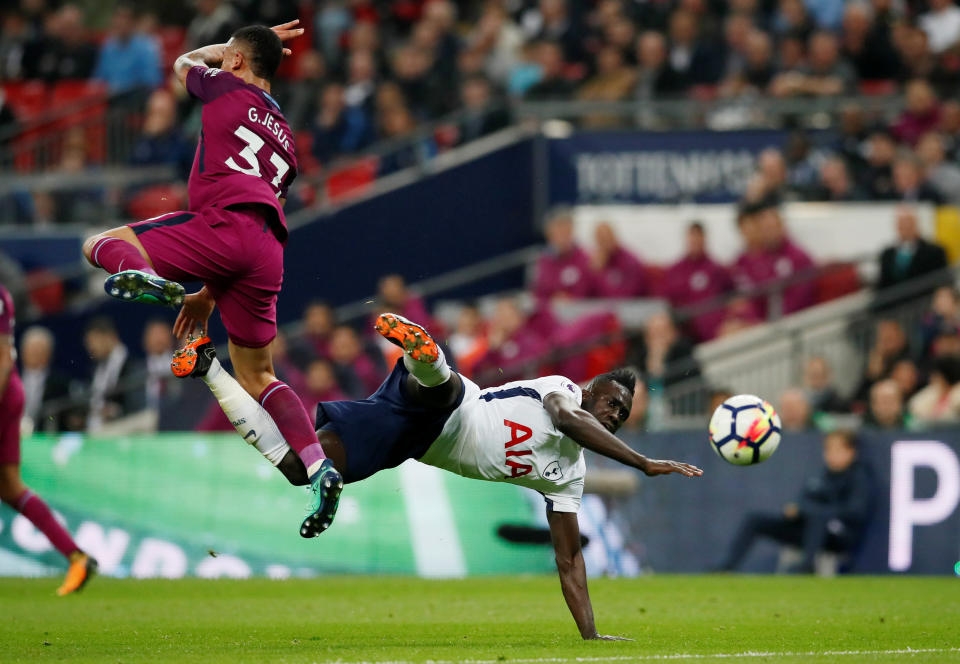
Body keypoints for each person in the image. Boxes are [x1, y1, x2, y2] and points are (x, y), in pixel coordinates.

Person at [194, 312, 702, 636]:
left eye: (624, 412)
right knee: (437, 390)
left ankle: (208, 368)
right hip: (460, 406)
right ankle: (424, 350)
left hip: (410, 442)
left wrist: (590, 635)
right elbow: (570, 419)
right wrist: (643, 461)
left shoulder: (568, 473)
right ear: (592, 390)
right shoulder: (564, 391)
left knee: (298, 467)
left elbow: (569, 560)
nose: (615, 413)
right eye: (612, 402)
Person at [80, 21, 342, 538]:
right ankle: (318, 465)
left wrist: (220, 51)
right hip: (267, 249)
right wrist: (207, 295)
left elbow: (182, 63)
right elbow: (264, 208)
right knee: (259, 374)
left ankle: (142, 275)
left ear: (239, 62)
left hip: (221, 224)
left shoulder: (223, 83)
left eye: (231, 57)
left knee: (98, 244)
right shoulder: (287, 139)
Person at [0, 285, 96, 595]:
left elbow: (2, 358)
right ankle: (77, 557)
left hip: (2, 394)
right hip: (10, 392)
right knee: (11, 487)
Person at [717, 430, 874, 574]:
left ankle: (806, 567)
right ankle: (728, 567)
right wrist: (796, 510)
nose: (831, 454)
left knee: (818, 516)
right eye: (828, 449)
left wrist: (815, 511)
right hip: (807, 531)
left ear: (851, 452)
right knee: (755, 520)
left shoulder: (859, 477)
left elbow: (855, 511)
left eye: (838, 449)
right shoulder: (821, 477)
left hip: (838, 537)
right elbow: (804, 502)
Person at [876, 206, 948, 299]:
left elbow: (942, 282)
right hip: (893, 308)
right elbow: (882, 285)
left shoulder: (934, 252)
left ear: (916, 225)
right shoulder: (887, 254)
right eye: (902, 224)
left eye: (909, 223)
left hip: (923, 304)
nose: (905, 227)